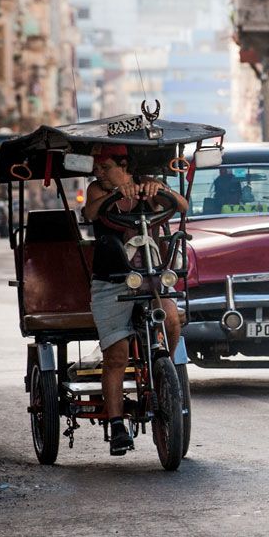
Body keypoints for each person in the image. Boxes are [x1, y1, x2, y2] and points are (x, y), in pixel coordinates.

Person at [81, 144, 188, 455]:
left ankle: (164, 372)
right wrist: (114, 195)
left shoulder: (146, 183)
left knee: (170, 319)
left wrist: (160, 190)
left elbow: (181, 206)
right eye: (96, 167)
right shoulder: (95, 190)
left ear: (123, 164)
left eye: (104, 166)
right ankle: (116, 426)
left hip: (153, 276)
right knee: (117, 355)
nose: (98, 172)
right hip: (111, 280)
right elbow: (89, 214)